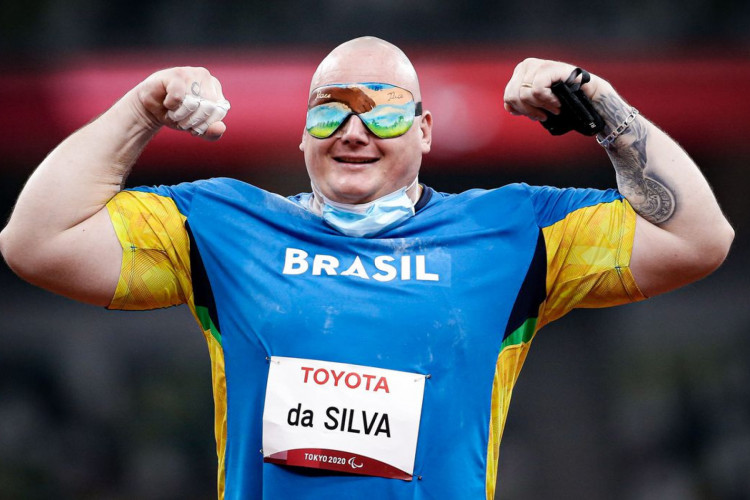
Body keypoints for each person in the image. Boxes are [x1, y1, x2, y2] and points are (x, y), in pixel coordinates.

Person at [0, 36, 734, 499]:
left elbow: (697, 237)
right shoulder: (224, 225)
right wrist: (142, 106)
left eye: (382, 113)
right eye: (329, 111)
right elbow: (36, 241)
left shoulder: (515, 230)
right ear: (301, 134)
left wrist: (597, 102)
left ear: (425, 131)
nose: (353, 132)